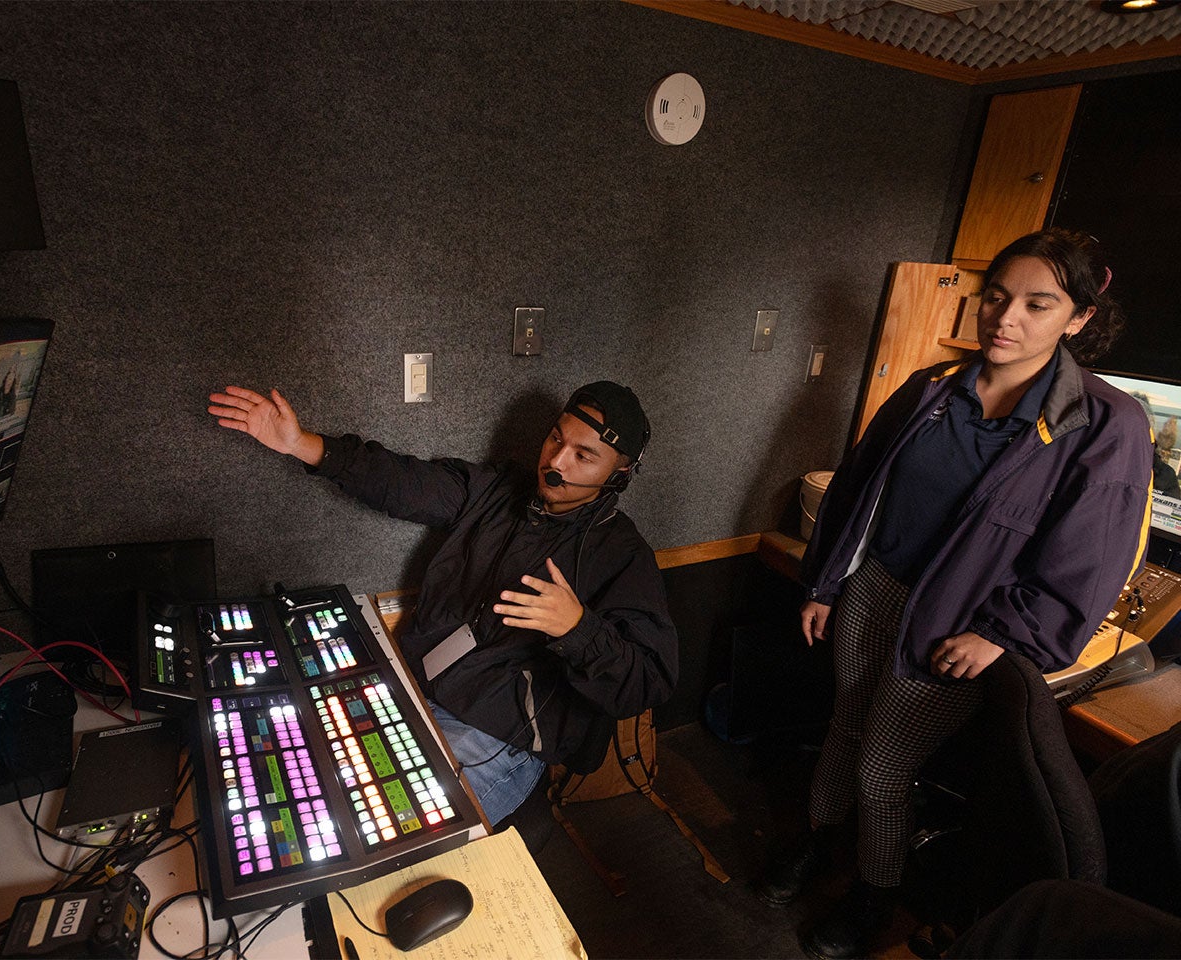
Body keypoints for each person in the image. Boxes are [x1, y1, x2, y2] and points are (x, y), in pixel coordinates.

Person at [758, 228, 1154, 960]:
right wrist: (824, 581)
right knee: (844, 725)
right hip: (875, 590)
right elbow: (857, 488)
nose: (1006, 318)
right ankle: (817, 842)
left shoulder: (1104, 424)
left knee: (883, 768)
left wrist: (1007, 635)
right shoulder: (934, 389)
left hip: (953, 626)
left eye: (1038, 304)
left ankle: (874, 893)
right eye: (997, 298)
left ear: (1079, 319)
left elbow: (1087, 561)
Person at [207, 380, 678, 826]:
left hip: (495, 735)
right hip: (416, 690)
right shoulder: (497, 491)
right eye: (556, 438)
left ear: (619, 473)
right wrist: (303, 444)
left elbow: (648, 681)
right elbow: (405, 481)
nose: (557, 460)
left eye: (584, 456)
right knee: (303, 783)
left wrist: (577, 629)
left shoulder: (622, 555)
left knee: (391, 830)